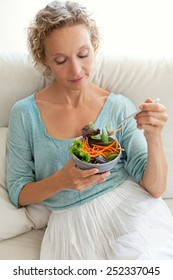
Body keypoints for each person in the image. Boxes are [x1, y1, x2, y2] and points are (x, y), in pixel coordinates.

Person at [7, 0, 173, 260]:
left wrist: (153, 137)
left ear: (93, 47)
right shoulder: (25, 114)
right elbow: (18, 192)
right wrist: (62, 180)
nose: (76, 70)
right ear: (44, 60)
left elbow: (155, 188)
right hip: (69, 229)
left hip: (130, 213)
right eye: (60, 60)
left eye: (83, 55)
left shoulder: (118, 106)